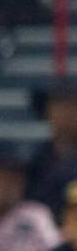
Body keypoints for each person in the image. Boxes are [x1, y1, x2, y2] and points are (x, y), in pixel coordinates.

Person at [28, 77, 77, 221]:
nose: (66, 113)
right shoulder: (33, 160)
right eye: (59, 105)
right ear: (46, 110)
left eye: (73, 105)